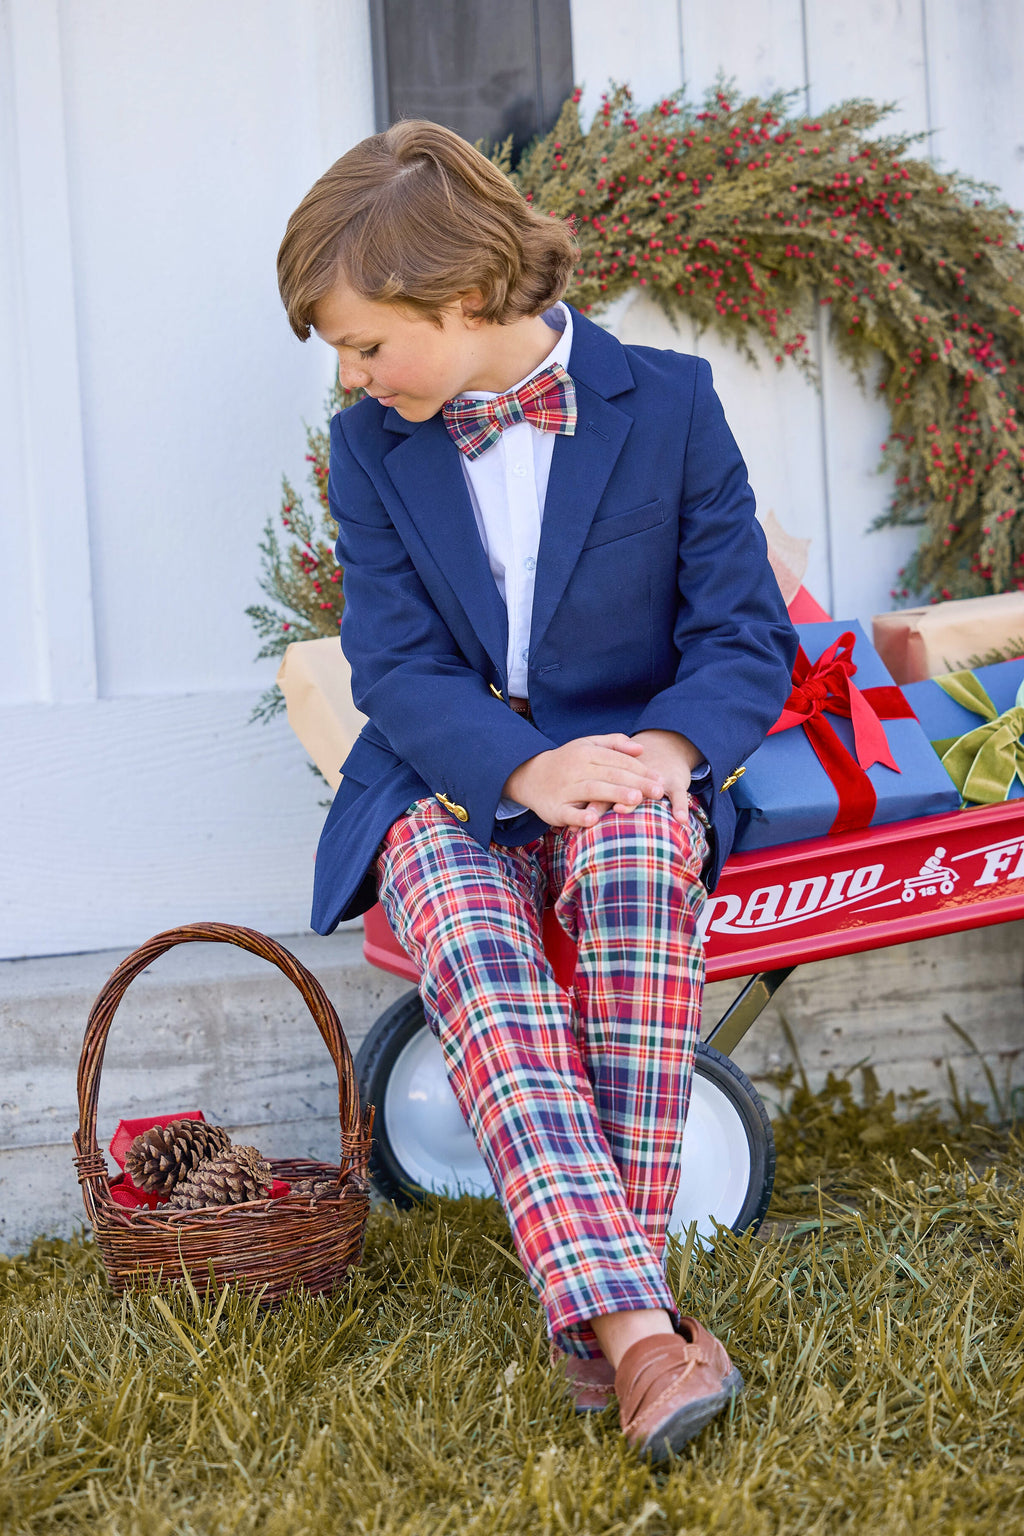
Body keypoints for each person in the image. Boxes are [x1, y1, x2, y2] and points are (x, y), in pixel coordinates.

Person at [277, 119, 798, 1461]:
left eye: (364, 342)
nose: (350, 372)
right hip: (448, 779)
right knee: (479, 950)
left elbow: (742, 632)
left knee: (633, 866)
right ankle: (640, 1337)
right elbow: (390, 662)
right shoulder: (373, 450)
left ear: (463, 296)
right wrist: (517, 767)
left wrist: (668, 759)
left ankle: (602, 1336)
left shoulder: (668, 403)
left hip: (632, 758)